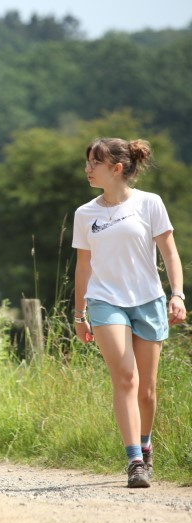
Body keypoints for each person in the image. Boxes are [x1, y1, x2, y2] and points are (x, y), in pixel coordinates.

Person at [73, 138, 186, 489]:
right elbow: (83, 267)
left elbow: (169, 252)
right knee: (125, 378)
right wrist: (79, 314)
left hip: (147, 300)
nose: (87, 169)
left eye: (94, 163)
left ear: (117, 168)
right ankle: (135, 460)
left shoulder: (150, 203)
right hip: (106, 301)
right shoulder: (84, 213)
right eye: (88, 162)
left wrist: (177, 294)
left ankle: (146, 445)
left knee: (146, 391)